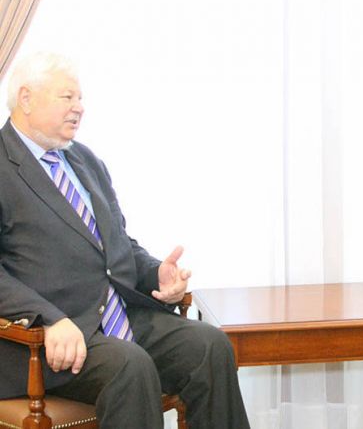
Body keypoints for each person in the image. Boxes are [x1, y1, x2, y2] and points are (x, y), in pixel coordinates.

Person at [0, 52, 250, 429]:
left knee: (209, 345)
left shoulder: (85, 161)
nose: (79, 107)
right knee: (130, 366)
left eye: (80, 98)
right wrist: (49, 318)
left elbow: (116, 244)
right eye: (67, 97)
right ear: (26, 98)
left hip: (116, 316)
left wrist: (155, 274)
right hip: (44, 339)